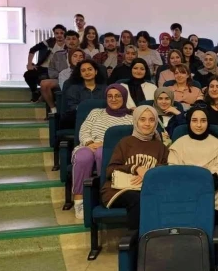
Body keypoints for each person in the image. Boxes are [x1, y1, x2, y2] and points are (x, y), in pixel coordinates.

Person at [100, 106, 169, 229]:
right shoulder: (125, 143)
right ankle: (136, 239)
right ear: (136, 121)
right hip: (120, 190)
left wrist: (149, 173)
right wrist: (136, 168)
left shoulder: (160, 147)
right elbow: (110, 171)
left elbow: (166, 170)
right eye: (142, 119)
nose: (147, 124)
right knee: (139, 198)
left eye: (151, 120)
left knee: (152, 197)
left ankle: (149, 238)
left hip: (146, 189)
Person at [71, 85, 134, 219]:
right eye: (110, 96)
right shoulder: (96, 112)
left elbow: (126, 142)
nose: (113, 99)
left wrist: (104, 145)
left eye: (117, 96)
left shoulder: (130, 119)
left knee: (101, 153)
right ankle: (79, 201)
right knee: (83, 156)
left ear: (124, 98)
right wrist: (89, 143)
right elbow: (84, 129)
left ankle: (104, 195)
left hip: (111, 149)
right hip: (88, 145)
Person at [168, 106, 218, 210]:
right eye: (194, 120)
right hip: (184, 190)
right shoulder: (178, 144)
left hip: (212, 191)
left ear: (208, 122)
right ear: (189, 122)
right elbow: (174, 170)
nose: (199, 125)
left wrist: (206, 182)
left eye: (203, 121)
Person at [41, 30, 82, 113]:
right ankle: (53, 109)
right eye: (68, 39)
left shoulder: (85, 55)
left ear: (78, 41)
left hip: (78, 79)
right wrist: (62, 75)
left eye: (74, 39)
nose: (71, 41)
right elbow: (51, 70)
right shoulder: (57, 54)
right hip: (59, 78)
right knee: (44, 84)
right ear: (65, 41)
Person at [60, 58, 105, 129]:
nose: (87, 72)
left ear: (96, 72)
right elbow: (72, 107)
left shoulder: (105, 89)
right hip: (79, 120)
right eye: (83, 70)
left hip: (101, 120)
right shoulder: (73, 89)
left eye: (90, 69)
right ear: (80, 74)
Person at [25, 24, 66, 102]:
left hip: (57, 70)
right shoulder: (50, 42)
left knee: (47, 80)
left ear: (65, 34)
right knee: (28, 75)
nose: (59, 35)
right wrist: (29, 64)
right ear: (54, 34)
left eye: (61, 33)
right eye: (57, 33)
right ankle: (35, 92)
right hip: (43, 67)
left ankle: (45, 97)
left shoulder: (67, 44)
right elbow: (33, 49)